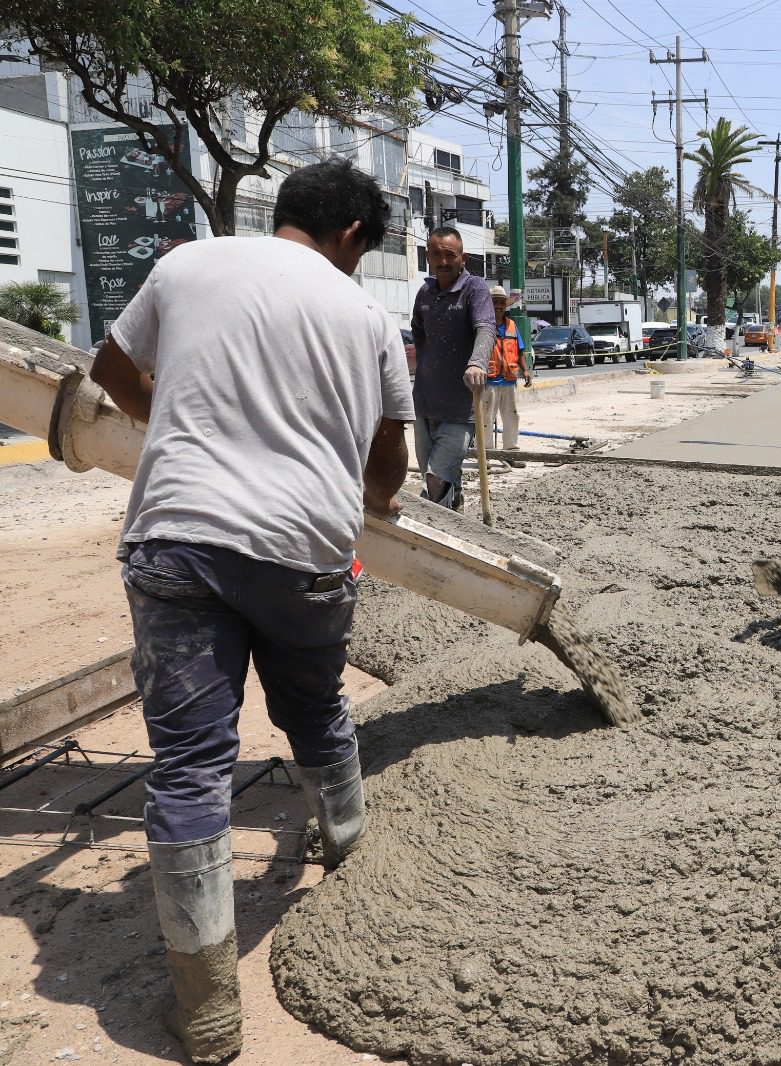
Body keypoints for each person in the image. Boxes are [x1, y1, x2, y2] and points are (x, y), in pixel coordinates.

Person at [87, 158, 412, 1063]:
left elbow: (111, 367)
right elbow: (386, 475)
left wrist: (177, 432)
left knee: (190, 762)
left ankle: (207, 1013)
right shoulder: (367, 318)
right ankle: (348, 861)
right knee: (315, 708)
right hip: (302, 551)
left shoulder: (187, 264)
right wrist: (365, 490)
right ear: (350, 236)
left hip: (178, 536)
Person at [411, 225, 494, 509]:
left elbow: (485, 326)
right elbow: (418, 333)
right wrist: (424, 366)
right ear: (427, 258)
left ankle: (436, 535)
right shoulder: (424, 293)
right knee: (438, 478)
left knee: (434, 480)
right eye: (436, 255)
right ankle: (455, 513)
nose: (443, 261)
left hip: (460, 408)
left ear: (463, 258)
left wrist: (476, 362)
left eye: (449, 255)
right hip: (424, 405)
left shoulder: (474, 289)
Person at [485, 285, 524, 449]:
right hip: (489, 381)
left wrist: (526, 371)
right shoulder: (483, 327)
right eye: (495, 302)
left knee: (512, 417)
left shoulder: (512, 326)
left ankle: (511, 450)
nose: (498, 306)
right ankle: (485, 454)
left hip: (509, 380)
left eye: (501, 302)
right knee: (486, 419)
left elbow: (519, 350)